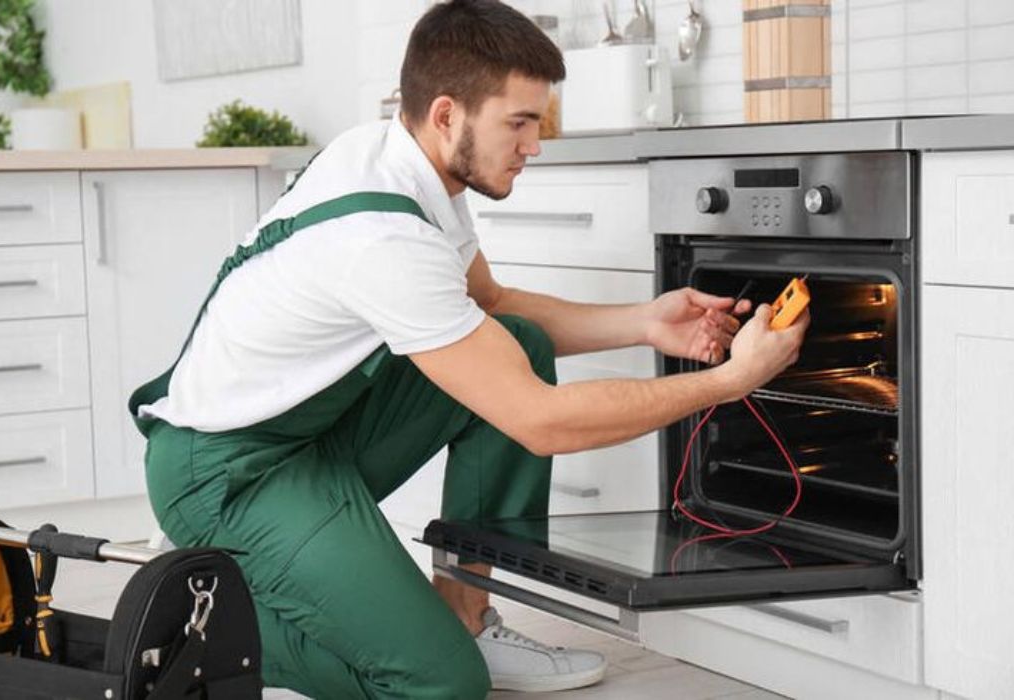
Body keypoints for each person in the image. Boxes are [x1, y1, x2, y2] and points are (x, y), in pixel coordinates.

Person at [131, 0, 809, 697]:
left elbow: (491, 305)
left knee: (515, 343)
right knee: (442, 684)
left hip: (312, 436)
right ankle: (203, 627)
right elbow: (539, 422)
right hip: (226, 473)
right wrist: (730, 381)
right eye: (518, 123)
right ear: (448, 114)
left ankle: (468, 616)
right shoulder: (383, 238)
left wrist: (644, 322)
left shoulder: (409, 163)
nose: (535, 144)